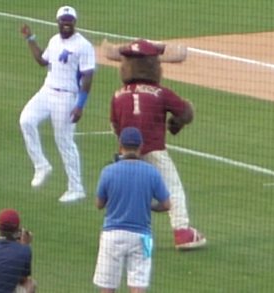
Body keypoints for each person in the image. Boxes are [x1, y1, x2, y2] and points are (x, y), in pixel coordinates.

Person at [110, 39, 207, 250]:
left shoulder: (117, 95)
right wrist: (177, 123)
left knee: (129, 192)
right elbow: (184, 111)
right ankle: (182, 233)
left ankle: (124, 233)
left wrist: (123, 148)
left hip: (127, 153)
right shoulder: (161, 93)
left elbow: (115, 125)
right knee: (173, 187)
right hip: (154, 149)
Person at [19, 5, 96, 203]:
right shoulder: (54, 40)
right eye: (63, 20)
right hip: (47, 91)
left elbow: (88, 76)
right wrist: (30, 39)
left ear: (75, 22)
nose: (66, 24)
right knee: (26, 120)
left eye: (70, 21)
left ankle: (76, 187)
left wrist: (80, 104)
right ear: (58, 22)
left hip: (67, 96)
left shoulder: (83, 46)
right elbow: (42, 61)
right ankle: (41, 165)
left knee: (64, 140)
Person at [93, 127, 171, 293]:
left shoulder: (108, 171)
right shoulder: (152, 172)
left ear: (120, 146)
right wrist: (149, 206)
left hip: (112, 235)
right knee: (138, 287)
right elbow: (167, 204)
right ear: (140, 146)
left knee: (107, 287)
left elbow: (99, 204)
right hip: (143, 236)